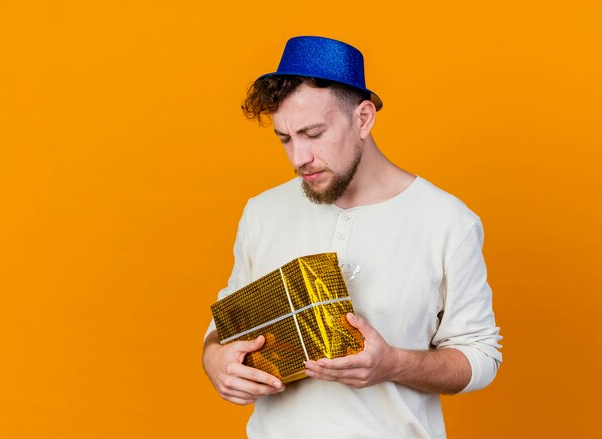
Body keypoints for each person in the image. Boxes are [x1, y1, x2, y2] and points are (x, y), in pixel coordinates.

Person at [202, 36, 502, 439]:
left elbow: (480, 356)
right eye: (285, 139)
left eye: (313, 133)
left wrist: (393, 363)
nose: (298, 158)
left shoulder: (447, 222)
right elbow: (227, 323)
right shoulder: (262, 212)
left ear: (363, 119)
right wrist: (214, 360)